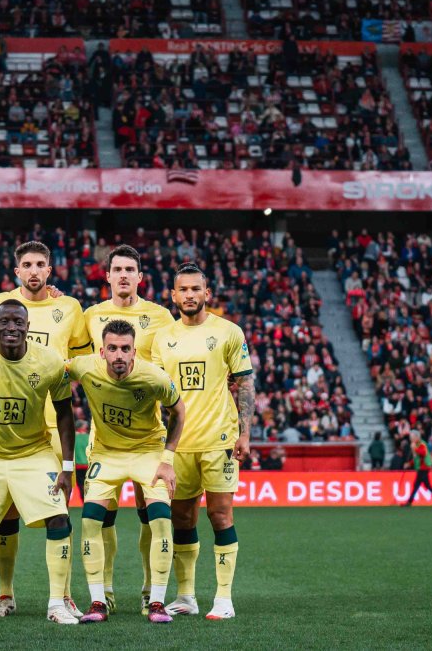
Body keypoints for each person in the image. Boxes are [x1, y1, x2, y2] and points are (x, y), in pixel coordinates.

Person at [0, 241, 90, 618]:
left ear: (50, 270)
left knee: (60, 507)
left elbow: (79, 361)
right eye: (27, 264)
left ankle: (65, 595)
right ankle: (5, 595)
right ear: (17, 271)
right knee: (7, 510)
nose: (34, 270)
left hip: (53, 425)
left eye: (41, 264)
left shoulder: (69, 307)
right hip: (8, 424)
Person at [0, 300, 79, 624]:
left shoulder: (48, 361)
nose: (11, 328)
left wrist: (67, 467)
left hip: (34, 454)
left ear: (28, 326)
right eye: (4, 322)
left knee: (60, 518)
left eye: (17, 322)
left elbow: (65, 414)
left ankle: (56, 604)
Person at [150, 263, 256, 621]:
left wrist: (245, 433)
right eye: (184, 289)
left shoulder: (228, 332)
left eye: (197, 289)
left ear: (207, 294)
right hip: (178, 444)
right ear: (174, 295)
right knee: (182, 518)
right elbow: (152, 390)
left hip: (219, 440)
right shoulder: (162, 337)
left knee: (220, 514)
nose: (190, 295)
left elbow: (244, 382)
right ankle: (186, 595)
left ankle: (223, 598)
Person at [68, 320, 184, 623]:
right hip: (107, 454)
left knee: (160, 518)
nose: (119, 355)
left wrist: (167, 459)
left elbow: (179, 411)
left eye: (125, 349)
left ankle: (156, 602)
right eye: (112, 348)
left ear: (134, 352)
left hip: (148, 452)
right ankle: (98, 602)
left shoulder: (154, 377)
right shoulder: (85, 367)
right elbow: (50, 366)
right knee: (91, 521)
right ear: (102, 351)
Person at [81, 244, 176, 611]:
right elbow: (73, 357)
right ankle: (103, 593)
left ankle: (151, 593)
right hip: (105, 433)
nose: (123, 275)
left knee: (149, 516)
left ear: (140, 276)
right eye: (116, 269)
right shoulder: (90, 315)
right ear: (107, 276)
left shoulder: (161, 316)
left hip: (148, 430)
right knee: (102, 518)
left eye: (129, 269)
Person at [402, 430, 432, 507]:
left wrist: (414, 448)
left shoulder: (421, 444)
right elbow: (417, 458)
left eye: (412, 437)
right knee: (426, 485)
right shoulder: (417, 444)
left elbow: (422, 453)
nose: (411, 439)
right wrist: (409, 463)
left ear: (416, 437)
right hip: (422, 467)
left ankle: (409, 502)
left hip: (424, 467)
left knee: (417, 485)